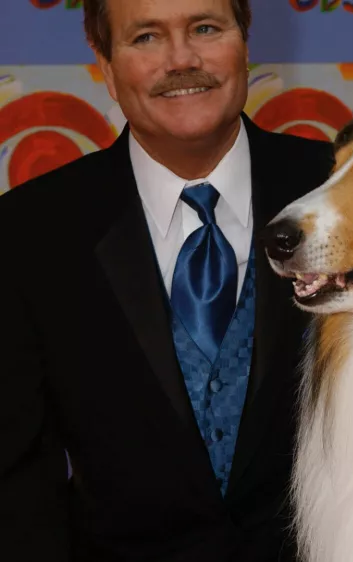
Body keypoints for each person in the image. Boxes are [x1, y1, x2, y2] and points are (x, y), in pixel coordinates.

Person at [0, 0, 334, 560]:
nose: (181, 59)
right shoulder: (28, 232)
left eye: (205, 28)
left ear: (245, 42)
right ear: (106, 66)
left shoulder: (344, 191)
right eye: (147, 37)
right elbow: (15, 483)